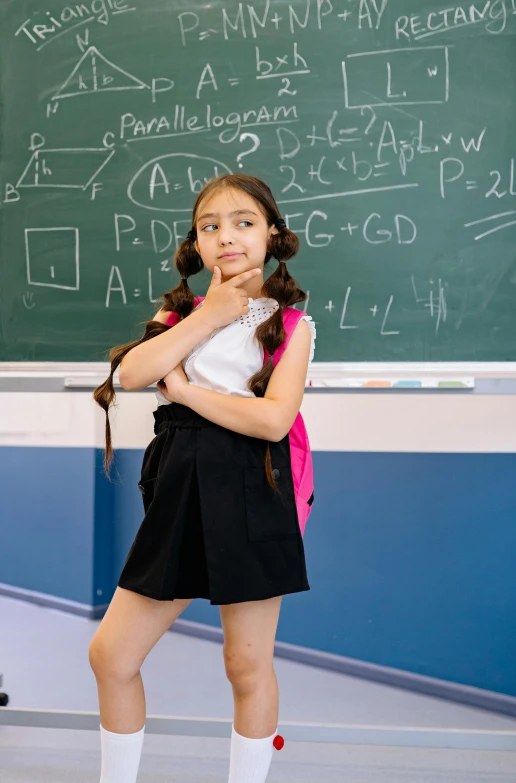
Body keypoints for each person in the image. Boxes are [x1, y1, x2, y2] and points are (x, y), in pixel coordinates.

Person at [90, 173, 316, 783]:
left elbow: (272, 422)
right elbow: (132, 376)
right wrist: (211, 313)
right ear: (196, 243)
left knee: (246, 666)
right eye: (210, 226)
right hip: (178, 479)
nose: (227, 236)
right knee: (111, 655)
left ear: (273, 233)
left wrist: (185, 390)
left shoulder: (292, 326)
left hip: (252, 486)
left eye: (244, 222)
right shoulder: (180, 312)